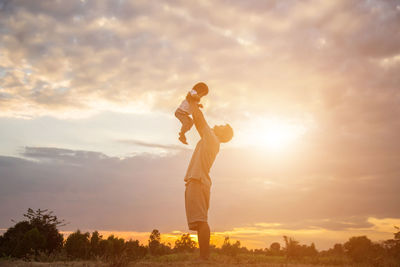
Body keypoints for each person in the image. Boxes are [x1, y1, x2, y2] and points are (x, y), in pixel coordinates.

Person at [184, 97, 233, 260]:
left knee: (201, 221)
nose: (217, 125)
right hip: (198, 181)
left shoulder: (212, 139)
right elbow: (199, 121)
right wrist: (194, 106)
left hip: (198, 181)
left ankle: (204, 258)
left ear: (222, 134)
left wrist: (192, 103)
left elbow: (199, 122)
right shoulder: (210, 140)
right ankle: (203, 257)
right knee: (199, 222)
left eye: (221, 126)